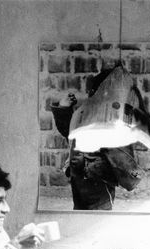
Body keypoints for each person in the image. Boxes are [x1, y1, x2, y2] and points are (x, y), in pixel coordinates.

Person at [50, 69, 142, 210]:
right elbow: (69, 131)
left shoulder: (114, 116)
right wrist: (64, 108)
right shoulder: (83, 112)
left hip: (99, 179)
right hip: (78, 176)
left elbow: (120, 152)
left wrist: (130, 174)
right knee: (80, 210)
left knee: (99, 212)